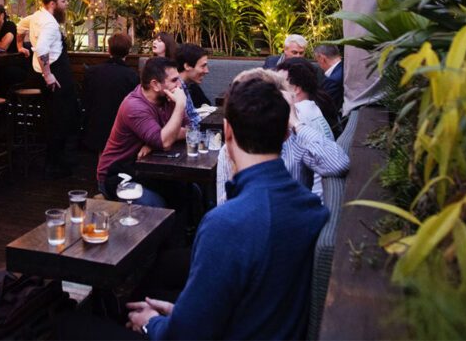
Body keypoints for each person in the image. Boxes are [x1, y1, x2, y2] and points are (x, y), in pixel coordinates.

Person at [127, 68, 329, 339]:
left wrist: (151, 323)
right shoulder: (312, 209)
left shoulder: (226, 224)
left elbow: (186, 336)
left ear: (228, 130)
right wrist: (179, 313)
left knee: (76, 327)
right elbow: (257, 302)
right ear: (285, 133)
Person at [216, 57, 348, 204]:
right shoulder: (227, 152)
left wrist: (295, 122)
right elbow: (223, 204)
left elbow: (338, 164)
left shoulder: (297, 142)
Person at [96, 57, 186, 206]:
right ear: (155, 85)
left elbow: (190, 130)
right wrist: (180, 106)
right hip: (116, 175)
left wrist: (154, 143)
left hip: (144, 170)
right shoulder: (135, 106)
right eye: (174, 80)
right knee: (156, 205)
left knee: (189, 191)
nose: (179, 85)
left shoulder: (168, 98)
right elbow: (165, 142)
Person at [16, 0, 80, 179]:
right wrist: (48, 75)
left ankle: (54, 163)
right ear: (53, 4)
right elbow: (42, 49)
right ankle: (55, 166)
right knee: (62, 119)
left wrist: (20, 45)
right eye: (64, 1)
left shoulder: (37, 16)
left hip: (47, 72)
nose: (67, 4)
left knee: (56, 118)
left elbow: (20, 26)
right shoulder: (50, 24)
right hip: (55, 74)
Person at [81, 33, 140, 153]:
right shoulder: (132, 76)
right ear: (128, 51)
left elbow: (85, 100)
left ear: (109, 50)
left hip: (96, 126)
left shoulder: (92, 72)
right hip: (122, 129)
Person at [174, 43, 209, 130]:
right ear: (187, 66)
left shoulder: (185, 86)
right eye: (203, 66)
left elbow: (193, 119)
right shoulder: (175, 88)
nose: (207, 71)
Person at [315, 44, 344, 133]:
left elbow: (325, 109)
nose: (318, 64)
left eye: (317, 60)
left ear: (322, 58)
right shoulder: (345, 67)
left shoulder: (333, 80)